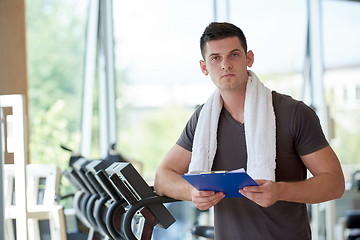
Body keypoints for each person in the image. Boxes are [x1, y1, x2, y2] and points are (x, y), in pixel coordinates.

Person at [154, 22, 344, 240]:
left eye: (234, 55)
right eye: (215, 58)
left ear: (249, 58)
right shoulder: (202, 119)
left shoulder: (294, 113)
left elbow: (334, 183)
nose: (225, 65)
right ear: (204, 67)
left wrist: (280, 191)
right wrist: (193, 193)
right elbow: (163, 177)